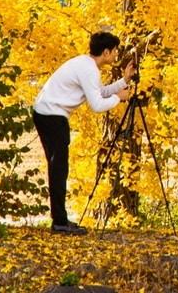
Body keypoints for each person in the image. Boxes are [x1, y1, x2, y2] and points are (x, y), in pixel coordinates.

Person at [32, 32, 134, 235]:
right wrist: (119, 99)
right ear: (106, 52)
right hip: (52, 115)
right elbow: (97, 105)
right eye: (114, 52)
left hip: (47, 112)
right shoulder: (89, 70)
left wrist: (124, 81)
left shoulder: (85, 65)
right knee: (59, 169)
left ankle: (60, 220)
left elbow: (98, 92)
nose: (116, 56)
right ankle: (60, 222)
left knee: (58, 168)